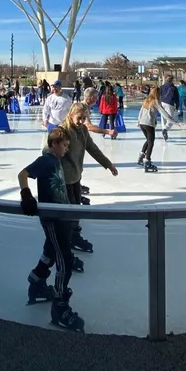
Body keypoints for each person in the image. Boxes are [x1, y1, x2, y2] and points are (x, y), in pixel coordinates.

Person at [18, 126, 84, 332]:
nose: (66, 149)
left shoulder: (56, 161)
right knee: (64, 259)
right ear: (54, 144)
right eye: (64, 145)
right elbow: (23, 174)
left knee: (50, 252)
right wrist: (26, 195)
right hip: (53, 220)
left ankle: (37, 282)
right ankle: (60, 306)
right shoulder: (45, 160)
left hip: (61, 217)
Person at [60, 102, 118, 257]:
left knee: (76, 208)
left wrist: (108, 164)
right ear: (71, 115)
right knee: (70, 210)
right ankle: (68, 240)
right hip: (64, 178)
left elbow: (93, 149)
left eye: (84, 118)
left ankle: (74, 235)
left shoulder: (83, 130)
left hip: (76, 175)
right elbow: (48, 152)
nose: (81, 121)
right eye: (79, 118)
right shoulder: (62, 131)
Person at [137, 87, 160, 172]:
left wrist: (138, 121)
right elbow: (163, 112)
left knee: (148, 140)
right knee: (151, 143)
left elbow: (141, 111)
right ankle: (147, 162)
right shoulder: (156, 101)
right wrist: (174, 121)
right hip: (149, 124)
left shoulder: (146, 100)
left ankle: (141, 156)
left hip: (142, 123)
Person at [159, 75, 180, 141]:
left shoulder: (161, 87)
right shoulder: (174, 88)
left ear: (165, 79)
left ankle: (164, 133)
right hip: (169, 104)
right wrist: (177, 106)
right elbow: (177, 98)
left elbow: (159, 95)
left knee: (163, 119)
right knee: (171, 119)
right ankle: (165, 130)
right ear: (172, 80)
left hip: (162, 103)